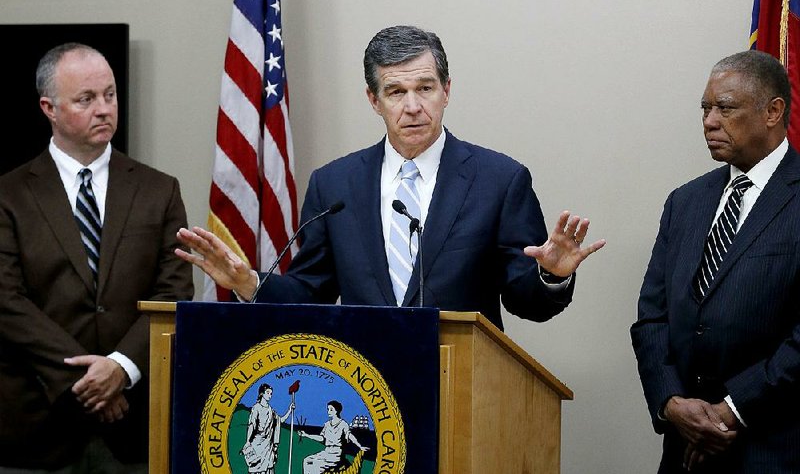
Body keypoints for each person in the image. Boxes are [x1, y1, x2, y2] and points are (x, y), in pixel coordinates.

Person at [177, 25, 605, 330]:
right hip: (360, 391)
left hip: (462, 386)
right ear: (374, 100)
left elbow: (524, 301)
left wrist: (551, 276)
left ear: (447, 90)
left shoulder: (500, 180)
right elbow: (311, 292)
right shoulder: (334, 185)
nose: (413, 105)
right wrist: (249, 282)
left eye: (425, 88)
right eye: (396, 92)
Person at [0, 43, 194, 472]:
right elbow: (7, 303)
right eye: (86, 99)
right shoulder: (8, 195)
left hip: (135, 427)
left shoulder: (159, 190)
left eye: (109, 95)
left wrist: (121, 369)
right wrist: (88, 382)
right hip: (36, 426)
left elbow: (174, 291)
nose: (104, 108)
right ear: (49, 107)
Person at [632, 50, 800, 473]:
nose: (709, 121)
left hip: (774, 450)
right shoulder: (684, 202)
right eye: (705, 108)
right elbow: (652, 318)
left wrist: (731, 410)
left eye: (725, 108)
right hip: (684, 453)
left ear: (773, 112)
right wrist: (672, 403)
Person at [297, 401, 368, 474]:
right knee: (306, 461)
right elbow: (321, 438)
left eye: (331, 409)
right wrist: (306, 435)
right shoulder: (327, 424)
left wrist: (360, 446)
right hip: (326, 452)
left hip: (336, 454)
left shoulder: (343, 424)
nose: (328, 411)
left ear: (336, 411)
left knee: (317, 465)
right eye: (328, 409)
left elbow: (350, 436)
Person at [242, 384, 295, 474]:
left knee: (269, 468)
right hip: (257, 444)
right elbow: (251, 425)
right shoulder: (256, 408)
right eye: (268, 393)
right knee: (256, 467)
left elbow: (280, 420)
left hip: (268, 445)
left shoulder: (271, 410)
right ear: (262, 393)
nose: (270, 395)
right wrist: (247, 441)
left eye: (271, 394)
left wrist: (290, 410)